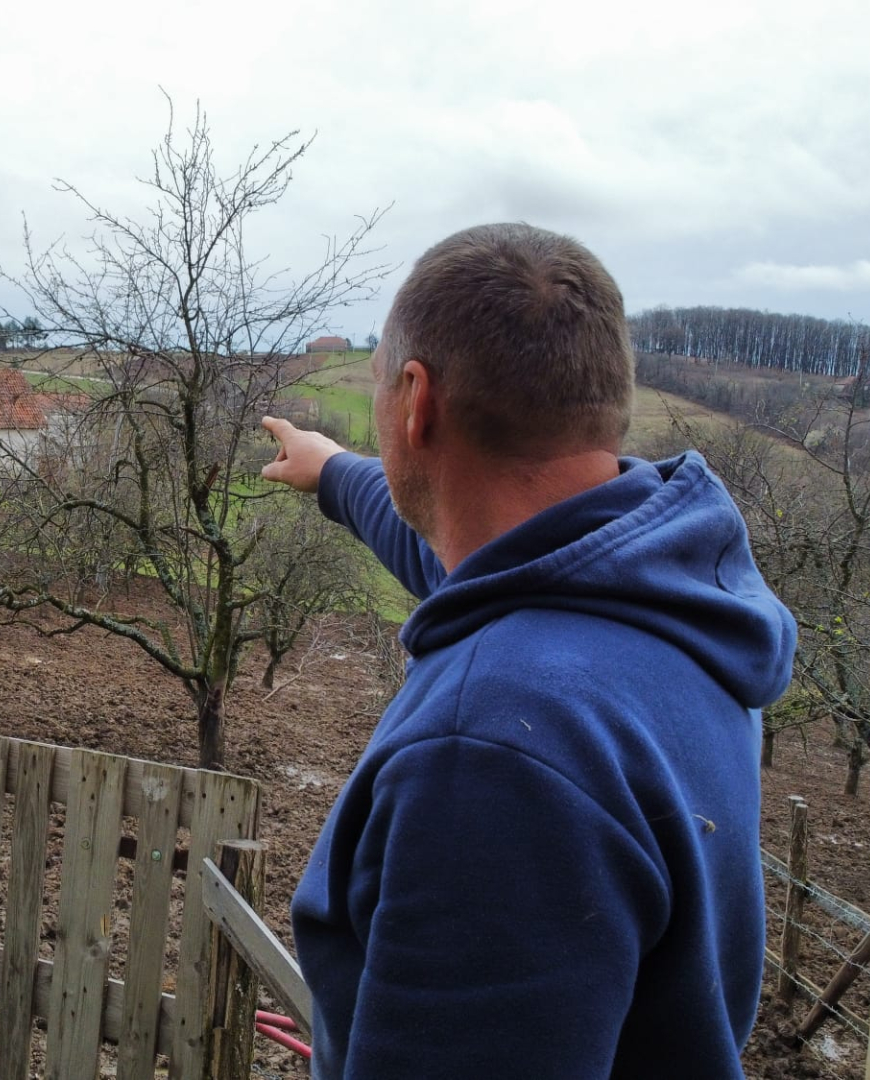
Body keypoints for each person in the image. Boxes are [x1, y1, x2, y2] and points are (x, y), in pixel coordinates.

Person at [261, 222, 796, 1079]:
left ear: (414, 399)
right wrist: (334, 472)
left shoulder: (490, 751)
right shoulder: (663, 603)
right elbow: (452, 560)